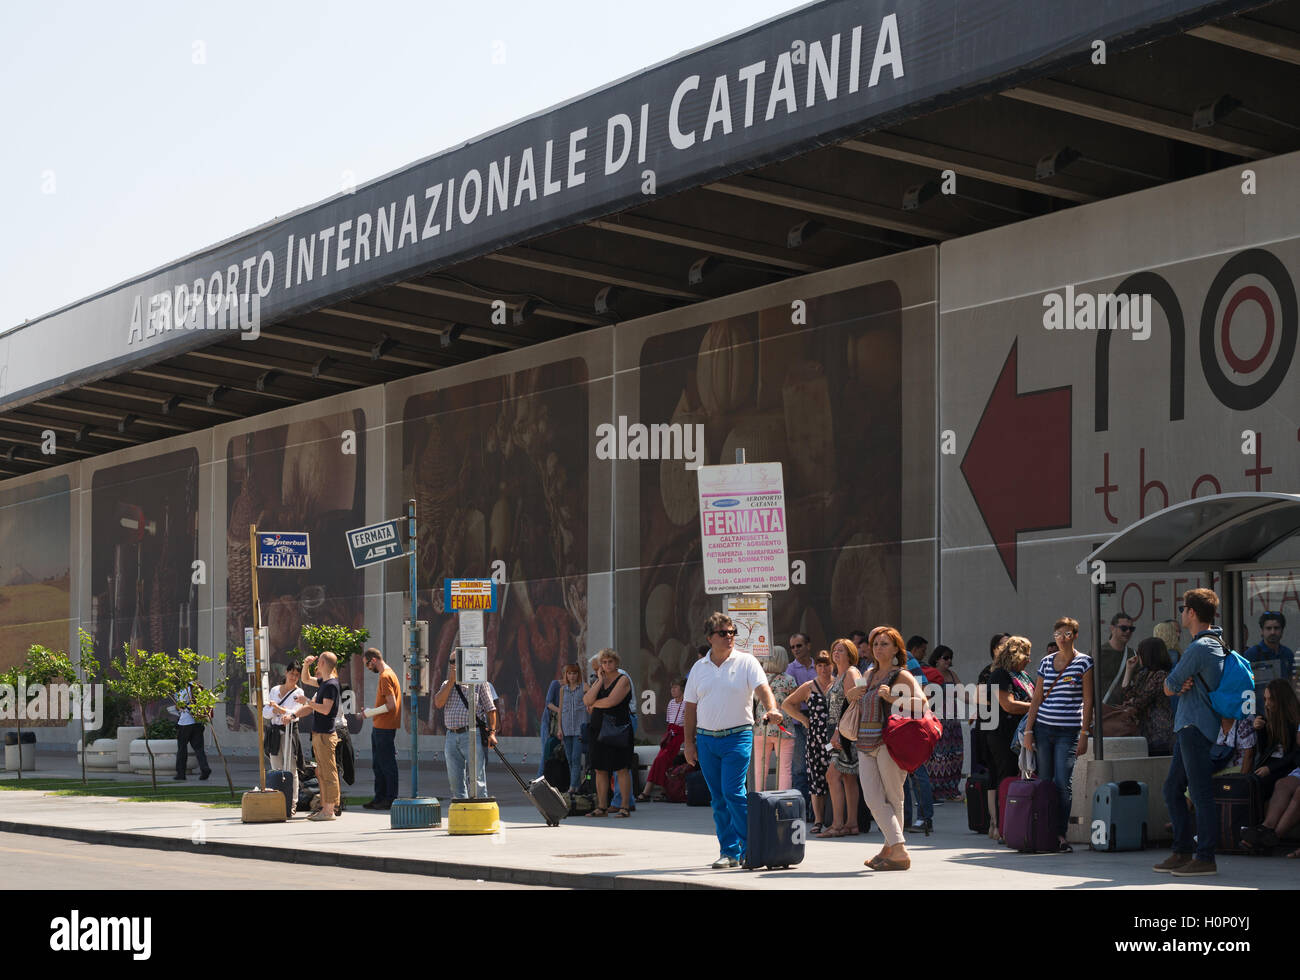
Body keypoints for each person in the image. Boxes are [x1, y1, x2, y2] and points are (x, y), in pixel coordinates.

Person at [682, 612, 783, 868]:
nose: (729, 637)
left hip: (738, 736)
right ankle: (729, 851)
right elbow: (690, 708)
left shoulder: (747, 662)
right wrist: (689, 743)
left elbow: (763, 690)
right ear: (710, 638)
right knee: (717, 798)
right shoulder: (698, 668)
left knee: (733, 793)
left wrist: (771, 708)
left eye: (732, 632)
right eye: (723, 633)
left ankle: (752, 848)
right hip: (706, 740)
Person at [1154, 588, 1226, 877]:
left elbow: (1169, 684)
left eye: (1184, 609)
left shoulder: (1199, 647)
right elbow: (1175, 683)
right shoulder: (1215, 642)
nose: (1182, 614)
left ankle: (1205, 856)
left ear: (1192, 613)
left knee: (1200, 792)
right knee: (1172, 788)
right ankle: (1182, 850)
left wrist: (1178, 683)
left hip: (1195, 726)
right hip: (1190, 725)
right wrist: (1179, 683)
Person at [850, 626, 926, 871]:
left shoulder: (901, 675)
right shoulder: (868, 672)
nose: (878, 648)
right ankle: (896, 848)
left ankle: (893, 850)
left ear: (896, 648)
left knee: (894, 798)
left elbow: (922, 705)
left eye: (884, 644)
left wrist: (893, 698)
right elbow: (855, 697)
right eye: (875, 644)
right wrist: (852, 692)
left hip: (889, 741)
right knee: (873, 798)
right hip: (864, 740)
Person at [1022, 618, 1093, 852]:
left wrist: (1084, 732)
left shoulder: (1084, 663)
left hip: (1068, 730)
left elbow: (1088, 700)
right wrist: (1029, 731)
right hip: (1043, 728)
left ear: (1075, 635)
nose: (1062, 638)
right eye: (1058, 635)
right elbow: (1037, 698)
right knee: (1044, 782)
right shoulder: (1046, 662)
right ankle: (1044, 830)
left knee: (1063, 783)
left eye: (1067, 634)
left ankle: (1060, 834)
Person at [432, 649, 498, 800]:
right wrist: (451, 681)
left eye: (456, 661)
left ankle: (480, 808)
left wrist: (492, 733)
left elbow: (491, 709)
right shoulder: (446, 684)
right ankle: (463, 808)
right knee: (455, 779)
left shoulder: (479, 683)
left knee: (477, 779)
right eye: (451, 662)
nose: (453, 665)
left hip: (471, 734)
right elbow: (438, 703)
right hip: (451, 735)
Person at [987, 636, 1034, 841]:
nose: (1030, 660)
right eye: (1027, 654)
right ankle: (1001, 826)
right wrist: (1037, 706)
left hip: (1022, 733)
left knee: (1021, 776)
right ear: (1016, 654)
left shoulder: (1024, 676)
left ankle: (1016, 823)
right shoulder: (1000, 675)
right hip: (1002, 733)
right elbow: (1008, 705)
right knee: (1005, 776)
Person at [782, 650, 834, 832]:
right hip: (815, 739)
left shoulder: (838, 684)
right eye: (819, 665)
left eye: (826, 665)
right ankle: (818, 820)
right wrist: (804, 719)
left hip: (834, 737)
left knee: (836, 777)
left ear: (832, 666)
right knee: (815, 779)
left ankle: (837, 820)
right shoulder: (808, 686)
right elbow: (786, 704)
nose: (823, 669)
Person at [818, 638, 863, 838]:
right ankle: (851, 824)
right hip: (838, 732)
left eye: (841, 650)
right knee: (848, 777)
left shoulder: (851, 673)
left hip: (844, 733)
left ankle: (837, 825)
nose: (836, 653)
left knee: (832, 775)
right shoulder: (838, 676)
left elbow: (855, 703)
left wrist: (838, 732)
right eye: (834, 649)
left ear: (850, 654)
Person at [290, 652, 342, 821]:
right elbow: (306, 679)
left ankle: (329, 810)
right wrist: (305, 665)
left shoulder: (331, 685)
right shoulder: (324, 682)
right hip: (319, 734)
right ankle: (325, 808)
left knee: (329, 772)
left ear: (323, 663)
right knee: (322, 772)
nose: (317, 663)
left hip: (326, 735)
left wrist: (307, 701)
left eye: (318, 661)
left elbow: (326, 709)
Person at [585, 649, 636, 818]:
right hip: (598, 730)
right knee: (600, 769)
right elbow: (586, 700)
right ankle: (601, 806)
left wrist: (595, 705)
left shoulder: (623, 679)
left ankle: (624, 806)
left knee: (621, 768)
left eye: (610, 662)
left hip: (618, 729)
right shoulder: (599, 680)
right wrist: (599, 680)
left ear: (616, 663)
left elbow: (611, 701)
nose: (607, 665)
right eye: (604, 662)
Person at [1115, 637, 1174, 754]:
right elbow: (1127, 695)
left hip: (1159, 732)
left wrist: (1131, 702)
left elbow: (1141, 701)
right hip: (1143, 731)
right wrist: (1128, 670)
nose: (1138, 656)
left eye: (1139, 652)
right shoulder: (1143, 674)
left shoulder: (1161, 675)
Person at [359, 647, 401, 809]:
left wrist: (370, 713)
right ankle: (380, 797)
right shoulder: (389, 674)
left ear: (374, 660)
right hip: (382, 726)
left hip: (384, 727)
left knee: (385, 764)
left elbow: (391, 705)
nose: (368, 668)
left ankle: (388, 798)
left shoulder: (385, 676)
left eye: (367, 665)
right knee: (380, 764)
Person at [751, 645, 796, 792]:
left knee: (760, 768)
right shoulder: (789, 680)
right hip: (784, 728)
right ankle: (783, 802)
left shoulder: (759, 681)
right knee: (784, 769)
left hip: (761, 728)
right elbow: (796, 703)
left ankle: (760, 799)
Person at [265, 660, 308, 803]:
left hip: (289, 732)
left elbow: (296, 713)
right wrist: (274, 710)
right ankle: (277, 799)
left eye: (297, 675)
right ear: (286, 673)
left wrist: (281, 710)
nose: (293, 677)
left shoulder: (298, 692)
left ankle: (292, 801)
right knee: (275, 767)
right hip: (275, 732)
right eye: (291, 673)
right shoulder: (275, 690)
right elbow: (266, 713)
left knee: (291, 768)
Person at [927, 645, 964, 800]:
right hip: (937, 720)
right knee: (936, 756)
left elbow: (963, 694)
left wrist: (980, 700)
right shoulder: (930, 674)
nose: (949, 661)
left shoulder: (952, 675)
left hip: (953, 722)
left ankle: (951, 789)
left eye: (950, 658)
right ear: (937, 659)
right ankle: (934, 791)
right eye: (945, 658)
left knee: (954, 755)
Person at [640, 679, 685, 802]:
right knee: (661, 760)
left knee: (661, 760)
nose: (673, 690)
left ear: (682, 689)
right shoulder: (671, 703)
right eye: (672, 688)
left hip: (681, 736)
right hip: (670, 736)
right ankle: (663, 791)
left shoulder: (687, 703)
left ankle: (647, 792)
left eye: (675, 688)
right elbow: (669, 722)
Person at [785, 632, 816, 815]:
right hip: (797, 721)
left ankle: (816, 811)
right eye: (793, 647)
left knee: (818, 767)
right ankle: (801, 810)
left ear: (808, 646)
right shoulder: (790, 669)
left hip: (818, 720)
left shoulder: (818, 667)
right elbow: (792, 701)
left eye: (799, 645)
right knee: (799, 768)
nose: (796, 650)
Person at [557, 662, 589, 795]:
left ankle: (572, 787)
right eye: (569, 673)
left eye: (574, 673)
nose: (572, 676)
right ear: (566, 675)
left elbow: (593, 698)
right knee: (570, 759)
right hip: (566, 728)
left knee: (576, 758)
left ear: (578, 674)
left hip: (579, 729)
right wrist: (559, 728)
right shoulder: (563, 689)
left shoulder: (584, 687)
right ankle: (575, 785)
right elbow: (560, 709)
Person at [171, 683, 213, 782]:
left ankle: (181, 773)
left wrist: (177, 707)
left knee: (182, 749)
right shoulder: (199, 688)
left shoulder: (183, 691)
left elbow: (179, 706)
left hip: (185, 723)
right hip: (198, 722)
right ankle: (205, 768)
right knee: (199, 749)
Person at [1244, 612, 1294, 693]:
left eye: (1276, 628)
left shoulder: (1287, 654)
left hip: (1282, 703)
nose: (1272, 632)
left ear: (1282, 631)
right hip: (1258, 703)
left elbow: (1292, 683)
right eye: (1268, 628)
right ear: (1262, 631)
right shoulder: (1251, 654)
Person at [1097, 612, 1136, 707]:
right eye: (1123, 628)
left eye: (1131, 629)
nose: (1128, 632)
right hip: (1101, 711)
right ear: (1112, 629)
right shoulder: (1098, 653)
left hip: (1123, 710)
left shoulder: (1133, 654)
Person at [538, 672, 563, 779]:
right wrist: (561, 711)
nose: (572, 676)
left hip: (564, 723)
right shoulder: (556, 684)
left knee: (561, 753)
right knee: (546, 751)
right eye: (569, 673)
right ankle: (540, 778)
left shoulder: (576, 687)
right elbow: (548, 703)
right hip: (550, 723)